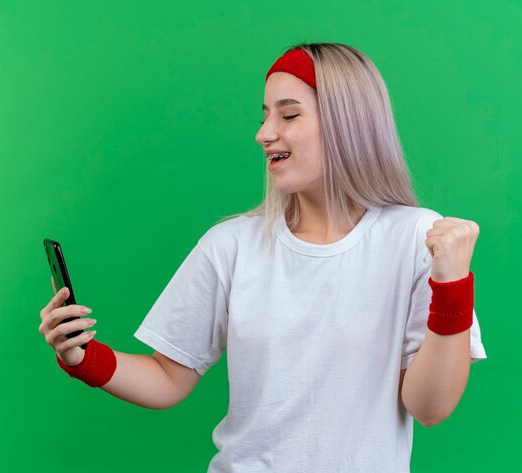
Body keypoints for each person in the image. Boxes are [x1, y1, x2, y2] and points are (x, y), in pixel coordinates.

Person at [38, 42, 487, 472]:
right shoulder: (230, 245)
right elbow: (167, 378)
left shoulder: (416, 238)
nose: (264, 133)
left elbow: (429, 407)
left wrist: (451, 286)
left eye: (289, 114)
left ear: (347, 123)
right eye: (265, 115)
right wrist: (84, 357)